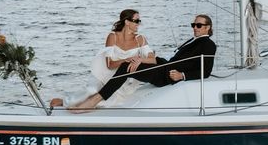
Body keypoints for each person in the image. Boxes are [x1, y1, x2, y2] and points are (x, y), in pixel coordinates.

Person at [70, 14, 216, 112]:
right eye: (193, 25)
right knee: (132, 62)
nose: (195, 28)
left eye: (198, 25)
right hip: (164, 66)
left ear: (207, 27)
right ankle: (95, 97)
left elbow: (206, 71)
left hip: (166, 75)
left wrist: (182, 76)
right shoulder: (194, 41)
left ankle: (95, 100)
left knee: (126, 67)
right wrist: (141, 59)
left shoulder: (208, 44)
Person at [50, 9, 155, 108]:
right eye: (136, 21)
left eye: (139, 21)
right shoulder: (112, 36)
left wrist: (140, 59)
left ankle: (83, 106)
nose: (138, 23)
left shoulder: (140, 39)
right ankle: (64, 102)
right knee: (91, 91)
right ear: (127, 22)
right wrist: (125, 60)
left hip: (125, 78)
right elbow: (110, 65)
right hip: (106, 74)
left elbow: (153, 59)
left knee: (108, 101)